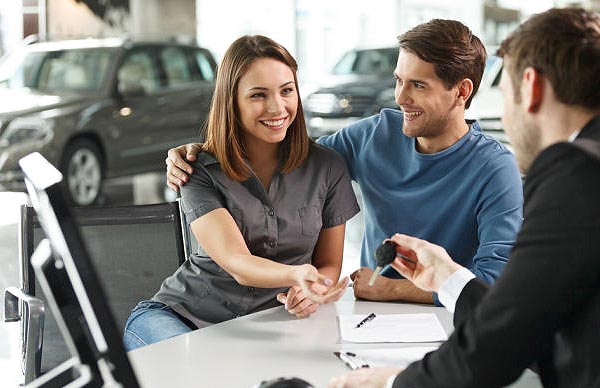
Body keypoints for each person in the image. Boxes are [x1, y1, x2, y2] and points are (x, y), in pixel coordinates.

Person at [329, 7, 600, 388]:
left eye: (504, 95)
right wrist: (446, 276)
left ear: (532, 86)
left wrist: (391, 383)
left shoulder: (575, 173)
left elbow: (504, 337)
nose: (506, 117)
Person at [165, 19, 523, 306]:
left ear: (461, 92)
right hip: (369, 315)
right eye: (398, 81)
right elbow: (287, 152)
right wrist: (202, 151)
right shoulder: (373, 135)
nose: (400, 97)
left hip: (451, 323)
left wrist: (390, 289)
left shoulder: (495, 168)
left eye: (418, 85)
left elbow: (492, 283)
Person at [123, 35, 360, 351]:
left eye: (287, 91)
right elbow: (236, 261)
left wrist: (312, 290)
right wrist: (297, 274)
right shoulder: (198, 169)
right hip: (180, 318)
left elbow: (329, 264)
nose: (277, 107)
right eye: (258, 95)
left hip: (268, 325)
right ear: (231, 100)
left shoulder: (327, 166)